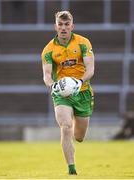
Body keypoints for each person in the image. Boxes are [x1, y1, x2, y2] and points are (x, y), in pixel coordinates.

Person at [41, 11, 95, 175]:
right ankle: (71, 169)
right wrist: (53, 86)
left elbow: (90, 69)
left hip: (83, 92)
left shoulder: (83, 43)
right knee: (65, 127)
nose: (63, 27)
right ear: (55, 26)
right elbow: (47, 76)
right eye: (60, 24)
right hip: (61, 94)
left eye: (66, 24)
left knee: (79, 136)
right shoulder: (48, 50)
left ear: (72, 25)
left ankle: (77, 133)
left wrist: (79, 82)